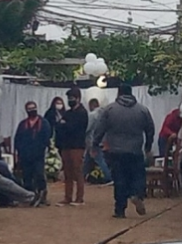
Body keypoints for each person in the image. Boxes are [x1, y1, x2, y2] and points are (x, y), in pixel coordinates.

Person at [93, 84, 155, 219]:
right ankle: (137, 195)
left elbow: (100, 129)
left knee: (119, 179)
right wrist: (148, 146)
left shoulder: (109, 109)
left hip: (116, 151)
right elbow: (150, 129)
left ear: (118, 93)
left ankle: (120, 210)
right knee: (137, 175)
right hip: (135, 150)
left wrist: (95, 144)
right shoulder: (142, 110)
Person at [55, 87, 89, 207]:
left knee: (77, 171)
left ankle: (79, 198)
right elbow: (59, 126)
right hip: (66, 145)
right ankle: (67, 197)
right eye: (69, 98)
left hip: (77, 146)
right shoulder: (68, 113)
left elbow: (75, 128)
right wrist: (65, 126)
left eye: (72, 98)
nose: (70, 100)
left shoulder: (82, 113)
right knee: (67, 172)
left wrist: (65, 125)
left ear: (78, 98)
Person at [14, 101, 51, 205]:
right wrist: (17, 154)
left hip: (38, 155)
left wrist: (44, 149)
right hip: (25, 155)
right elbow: (17, 140)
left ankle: (42, 196)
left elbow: (46, 138)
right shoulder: (22, 124)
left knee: (39, 175)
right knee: (27, 177)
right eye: (29, 109)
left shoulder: (43, 123)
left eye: (33, 108)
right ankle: (29, 196)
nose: (32, 110)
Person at [83, 98, 113, 185]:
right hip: (101, 140)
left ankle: (108, 177)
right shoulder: (104, 114)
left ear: (91, 105)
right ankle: (82, 176)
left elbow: (87, 128)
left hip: (92, 140)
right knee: (87, 160)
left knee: (99, 160)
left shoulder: (92, 115)